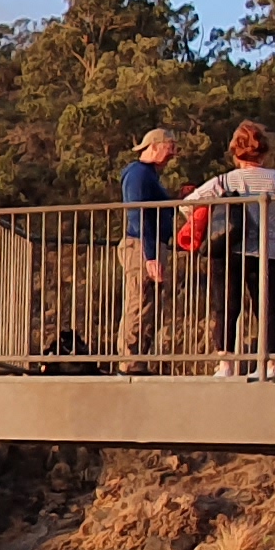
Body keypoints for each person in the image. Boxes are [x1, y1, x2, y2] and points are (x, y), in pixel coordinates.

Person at [185, 122, 275, 374]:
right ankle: (270, 364)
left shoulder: (225, 180)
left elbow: (188, 203)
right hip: (269, 252)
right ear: (264, 151)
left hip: (229, 250)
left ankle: (225, 363)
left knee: (226, 306)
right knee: (267, 308)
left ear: (236, 152)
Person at [114, 127, 182, 371]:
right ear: (154, 146)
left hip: (150, 246)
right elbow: (138, 213)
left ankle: (138, 359)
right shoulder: (138, 174)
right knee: (139, 301)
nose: (172, 154)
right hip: (142, 247)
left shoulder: (149, 176)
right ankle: (129, 361)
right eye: (169, 148)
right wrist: (150, 255)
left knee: (149, 303)